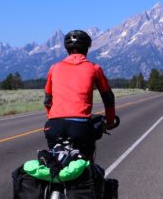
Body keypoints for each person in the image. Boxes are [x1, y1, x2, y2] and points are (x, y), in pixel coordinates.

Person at [43, 30, 115, 160]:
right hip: (80, 126)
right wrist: (109, 121)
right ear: (87, 48)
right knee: (85, 164)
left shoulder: (54, 68)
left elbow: (47, 100)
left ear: (67, 49)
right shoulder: (94, 68)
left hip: (53, 126)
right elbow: (108, 98)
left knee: (55, 161)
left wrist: (54, 116)